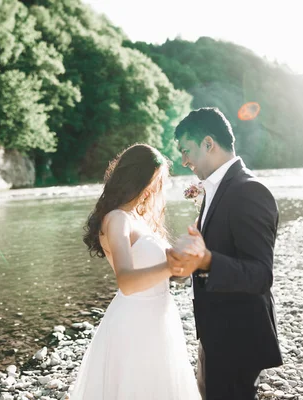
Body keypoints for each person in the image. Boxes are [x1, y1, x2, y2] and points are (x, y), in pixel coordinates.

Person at [167, 107, 283, 400]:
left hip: (238, 336)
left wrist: (206, 260)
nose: (184, 161)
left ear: (208, 143)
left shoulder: (249, 191)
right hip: (216, 331)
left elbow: (260, 275)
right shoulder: (215, 188)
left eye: (186, 151)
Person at [70, 144, 201, 400]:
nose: (157, 188)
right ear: (141, 176)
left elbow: (162, 271)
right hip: (134, 322)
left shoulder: (138, 217)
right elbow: (127, 282)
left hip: (159, 316)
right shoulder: (117, 219)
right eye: (157, 179)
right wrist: (171, 265)